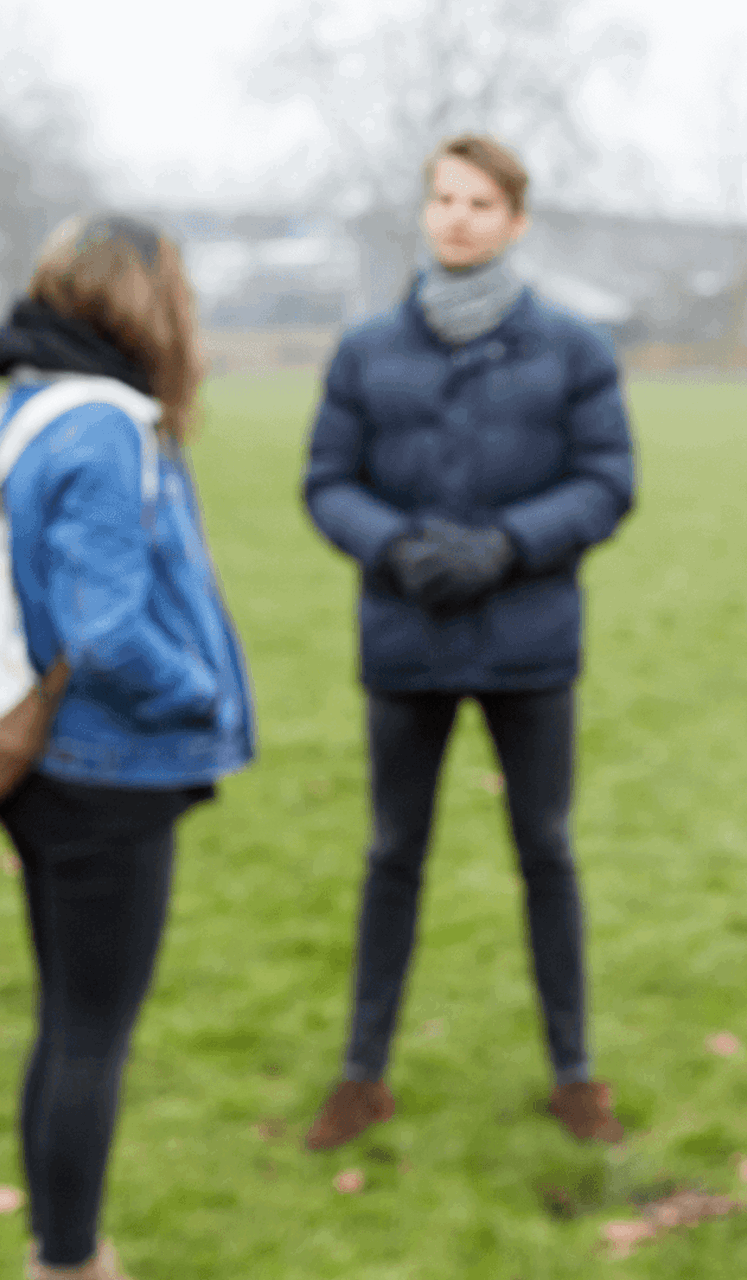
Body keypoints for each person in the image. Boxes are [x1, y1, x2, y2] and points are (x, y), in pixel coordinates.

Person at [301, 134, 635, 1151]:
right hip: (406, 640)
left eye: (481, 201)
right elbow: (328, 481)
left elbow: (606, 480)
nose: (457, 216)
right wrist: (394, 546)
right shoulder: (366, 350)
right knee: (393, 853)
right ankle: (363, 1073)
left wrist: (508, 544)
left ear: (516, 220)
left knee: (547, 852)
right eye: (443, 197)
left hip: (528, 641)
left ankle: (575, 1073)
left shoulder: (574, 348)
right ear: (424, 211)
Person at [0, 214, 254, 1280]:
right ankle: (71, 1261)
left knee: (67, 1018)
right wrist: (204, 691)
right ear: (147, 303)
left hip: (48, 772)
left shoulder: (28, 404)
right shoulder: (103, 426)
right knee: (90, 1031)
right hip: (105, 774)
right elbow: (108, 632)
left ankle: (61, 1241)